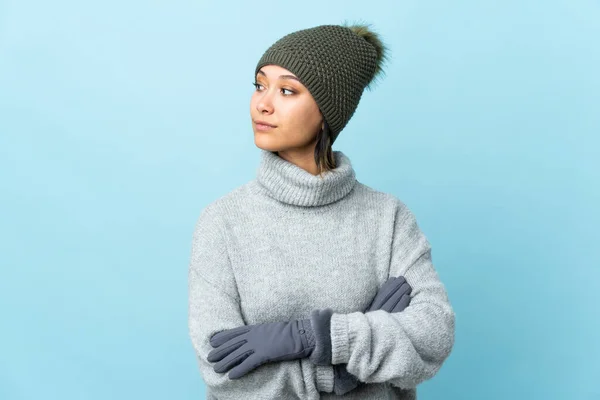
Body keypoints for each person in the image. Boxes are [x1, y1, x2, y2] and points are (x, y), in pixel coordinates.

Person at [187, 22, 455, 399]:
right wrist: (340, 373)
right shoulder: (222, 222)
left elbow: (434, 335)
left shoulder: (388, 219)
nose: (263, 103)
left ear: (329, 110)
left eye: (287, 90)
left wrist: (315, 336)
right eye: (260, 85)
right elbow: (222, 371)